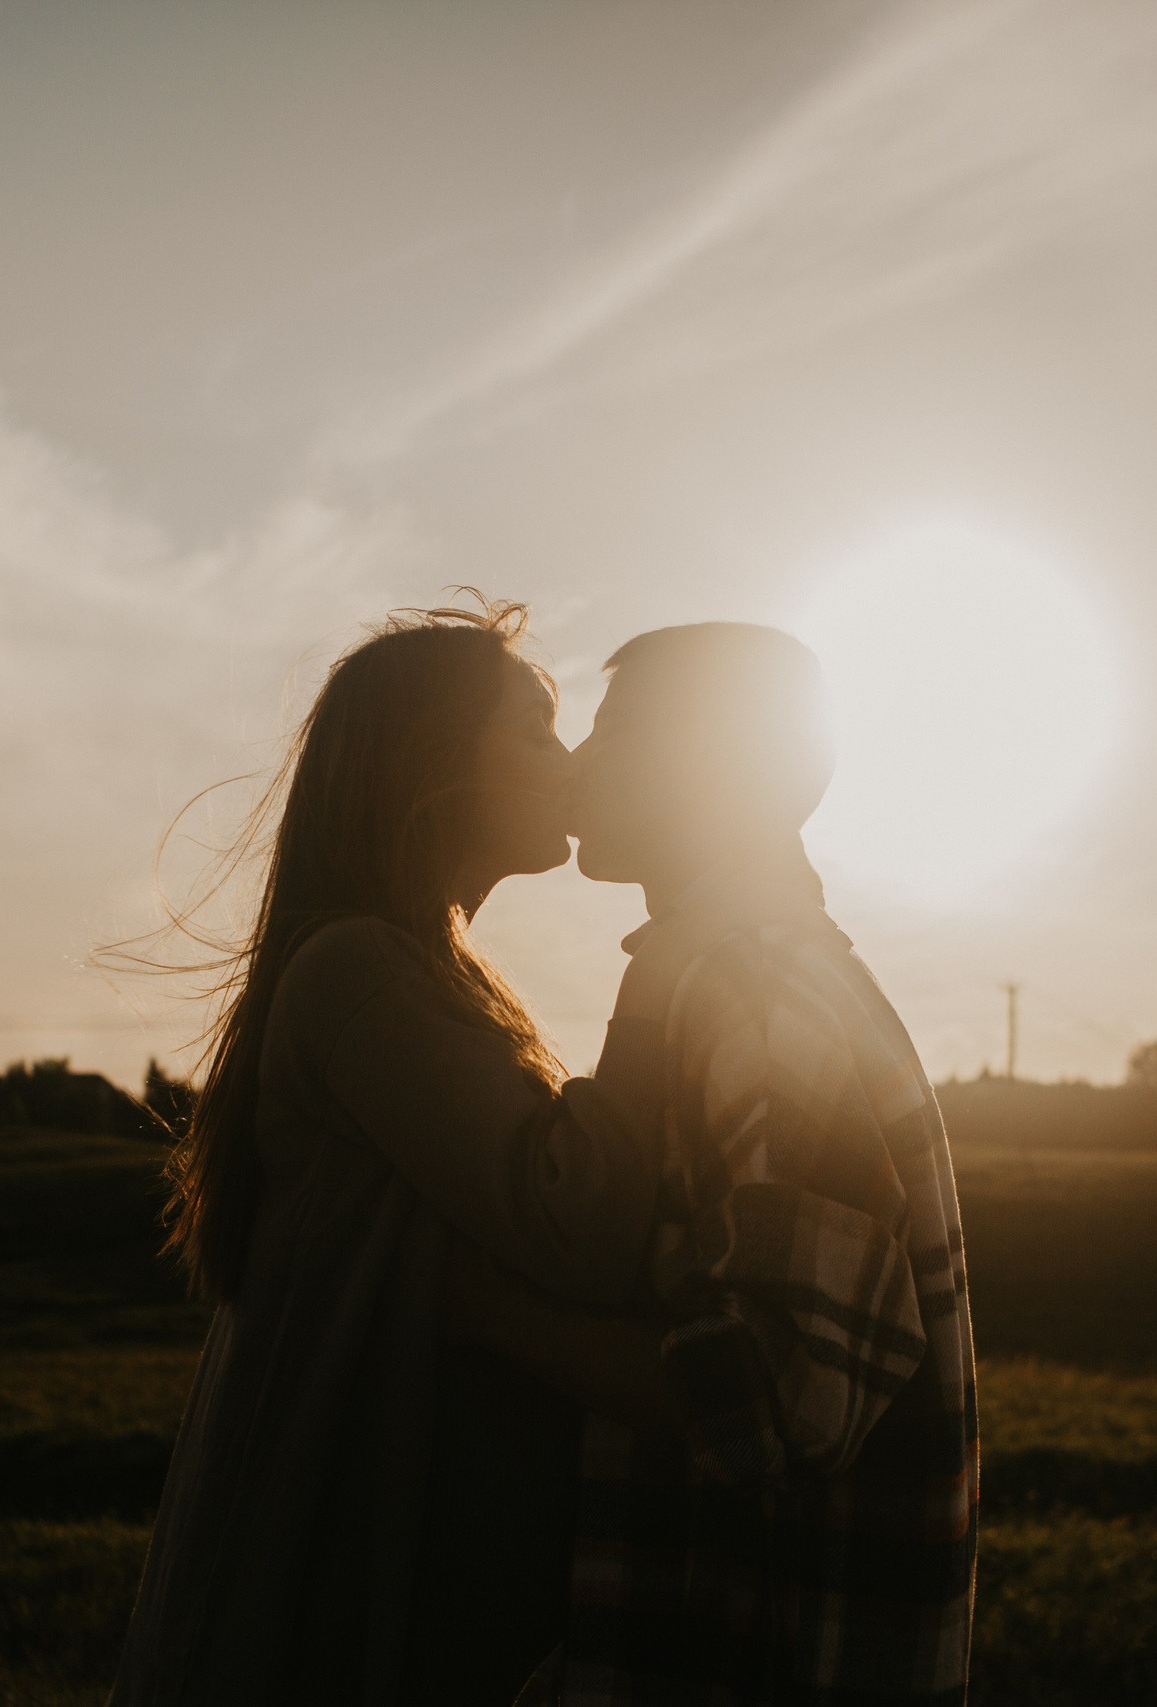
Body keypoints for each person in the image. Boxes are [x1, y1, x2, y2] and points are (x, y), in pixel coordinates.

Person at [109, 598, 666, 1707]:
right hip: (320, 1591)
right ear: (432, 765)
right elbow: (577, 1218)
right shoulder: (358, 973)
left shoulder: (422, 974)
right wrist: (671, 965)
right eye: (535, 728)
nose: (566, 760)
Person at [452, 622, 979, 1706]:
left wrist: (483, 1311)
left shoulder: (759, 989)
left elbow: (778, 1393)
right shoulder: (719, 974)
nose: (581, 762)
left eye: (616, 731)